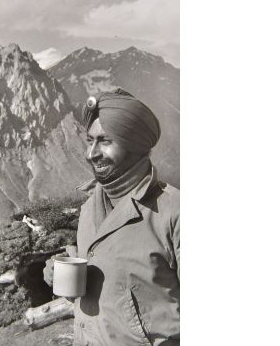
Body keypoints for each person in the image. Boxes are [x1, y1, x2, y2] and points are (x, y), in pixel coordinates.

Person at [44, 88, 180, 345]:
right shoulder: (89, 209)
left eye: (105, 141)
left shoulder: (174, 212)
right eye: (89, 140)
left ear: (134, 144)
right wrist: (58, 275)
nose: (91, 153)